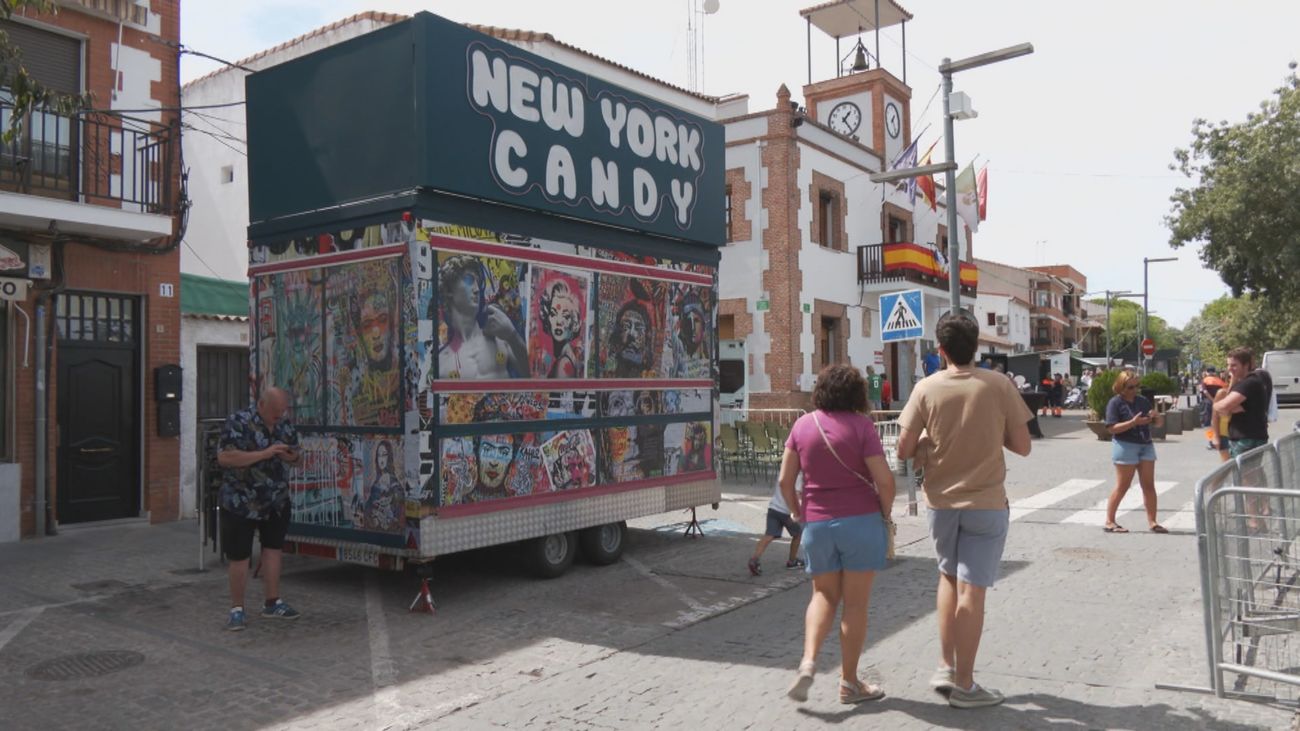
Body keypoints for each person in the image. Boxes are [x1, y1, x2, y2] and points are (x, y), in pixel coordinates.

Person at [897, 311, 1033, 709]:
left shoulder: (925, 388)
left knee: (947, 578)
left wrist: (929, 439)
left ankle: (945, 665)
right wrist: (990, 432)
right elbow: (1023, 446)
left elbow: (903, 450)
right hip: (986, 502)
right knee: (973, 590)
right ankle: (965, 684)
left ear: (940, 349)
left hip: (941, 502)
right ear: (977, 346)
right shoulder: (999, 384)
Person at [781, 364, 895, 705]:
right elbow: (885, 480)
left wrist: (797, 511)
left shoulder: (802, 426)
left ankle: (808, 661)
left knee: (822, 595)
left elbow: (785, 481)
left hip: (816, 524)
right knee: (855, 605)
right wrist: (885, 512)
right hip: (860, 521)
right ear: (857, 394)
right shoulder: (862, 426)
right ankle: (849, 682)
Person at [217, 387, 303, 631]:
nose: (279, 416)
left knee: (273, 549)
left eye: (282, 411)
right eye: (275, 412)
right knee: (240, 556)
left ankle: (272, 602)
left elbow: (299, 458)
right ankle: (237, 609)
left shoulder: (284, 425)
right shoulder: (239, 421)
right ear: (262, 405)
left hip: (276, 500)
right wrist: (264, 454)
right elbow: (225, 458)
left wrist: (290, 457)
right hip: (242, 500)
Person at [438, 255, 527, 379]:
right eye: (469, 280)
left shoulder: (501, 338)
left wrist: (513, 336)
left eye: (478, 282)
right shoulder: (442, 363)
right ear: (449, 290)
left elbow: (533, 377)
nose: (477, 289)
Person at [1101, 370, 1166, 534]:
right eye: (1130, 387)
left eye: (1137, 386)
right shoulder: (1115, 403)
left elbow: (1158, 424)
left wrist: (1157, 417)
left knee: (1148, 485)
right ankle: (1110, 521)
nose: (1134, 390)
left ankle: (1153, 522)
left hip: (1145, 444)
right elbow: (1111, 428)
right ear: (1121, 387)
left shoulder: (1142, 401)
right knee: (1123, 485)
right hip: (1125, 445)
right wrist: (1133, 423)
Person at [748, 475, 805, 576]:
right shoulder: (798, 476)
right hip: (787, 511)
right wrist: (797, 511)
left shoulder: (783, 472)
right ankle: (792, 561)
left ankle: (754, 559)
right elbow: (796, 495)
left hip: (773, 507)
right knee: (798, 533)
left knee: (769, 535)